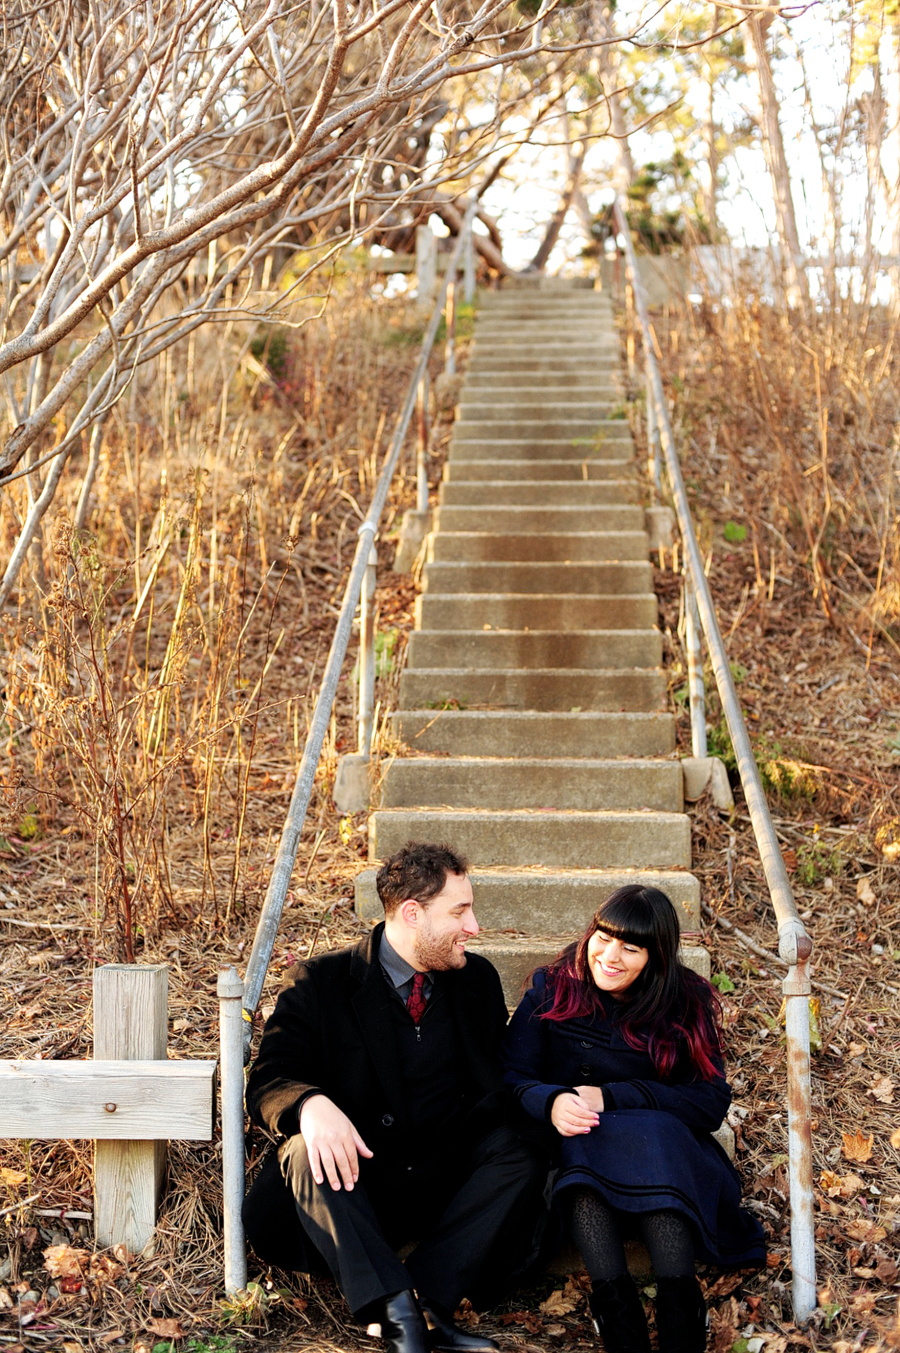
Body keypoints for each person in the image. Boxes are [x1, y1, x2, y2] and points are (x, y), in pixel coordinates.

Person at [242, 842, 547, 1353]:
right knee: (303, 1147)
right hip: (354, 1187)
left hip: (440, 1185)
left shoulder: (478, 981)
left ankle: (422, 1301)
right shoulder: (321, 983)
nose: (474, 926)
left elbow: (504, 1082)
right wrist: (312, 1105)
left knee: (523, 1151)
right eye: (460, 911)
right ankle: (405, 1318)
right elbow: (271, 1076)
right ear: (412, 913)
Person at [502, 884, 765, 1353]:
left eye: (631, 947)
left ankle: (680, 1307)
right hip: (578, 1156)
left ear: (656, 957)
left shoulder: (685, 1001)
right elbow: (510, 1075)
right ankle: (616, 1311)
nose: (610, 955)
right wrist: (551, 1101)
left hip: (659, 1159)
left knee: (650, 1131)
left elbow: (709, 1102)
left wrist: (613, 1096)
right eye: (603, 937)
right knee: (584, 1143)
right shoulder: (554, 984)